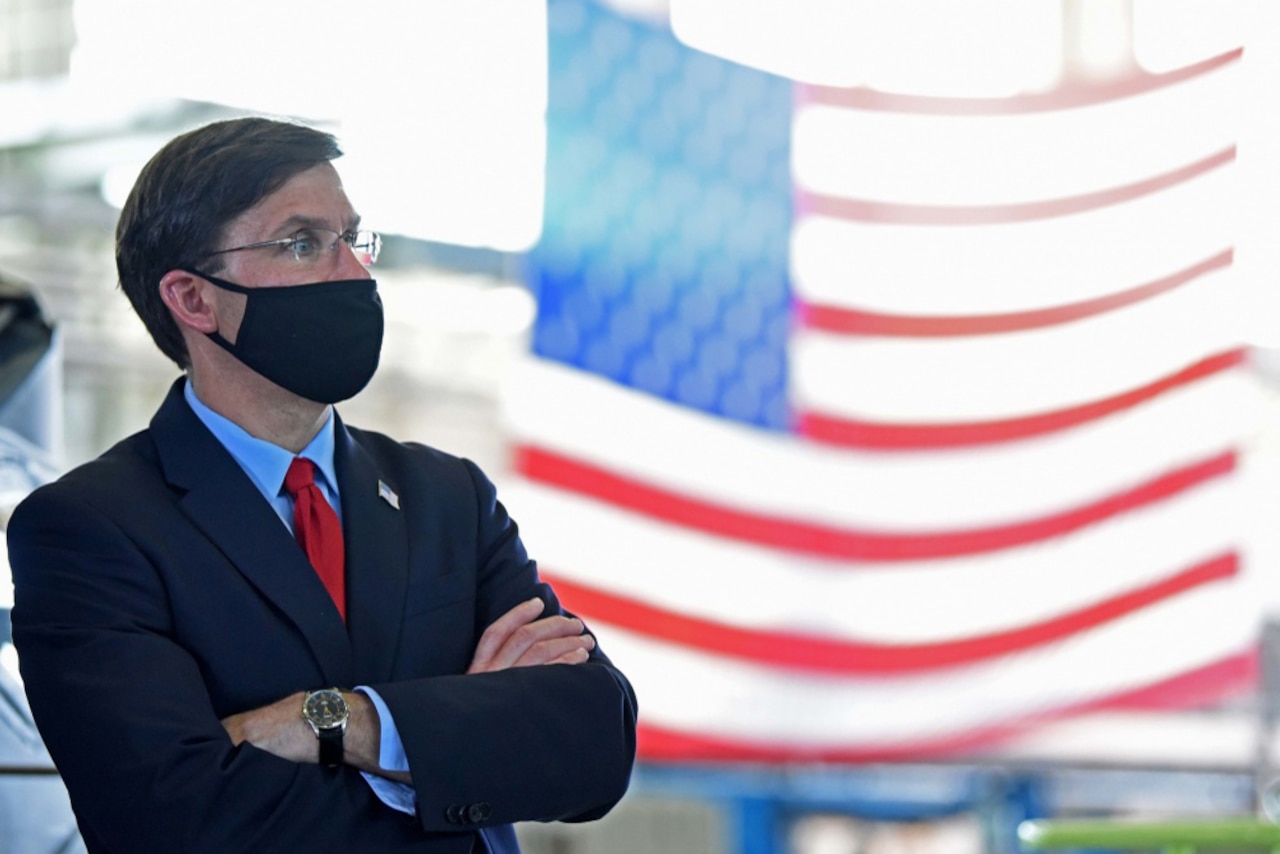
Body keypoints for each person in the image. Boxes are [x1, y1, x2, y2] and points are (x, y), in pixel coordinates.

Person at [7, 117, 637, 853]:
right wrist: (452, 757)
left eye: (352, 238)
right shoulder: (90, 528)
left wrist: (336, 722)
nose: (356, 273)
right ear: (194, 298)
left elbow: (592, 744)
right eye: (303, 243)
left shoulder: (447, 497)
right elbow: (171, 822)